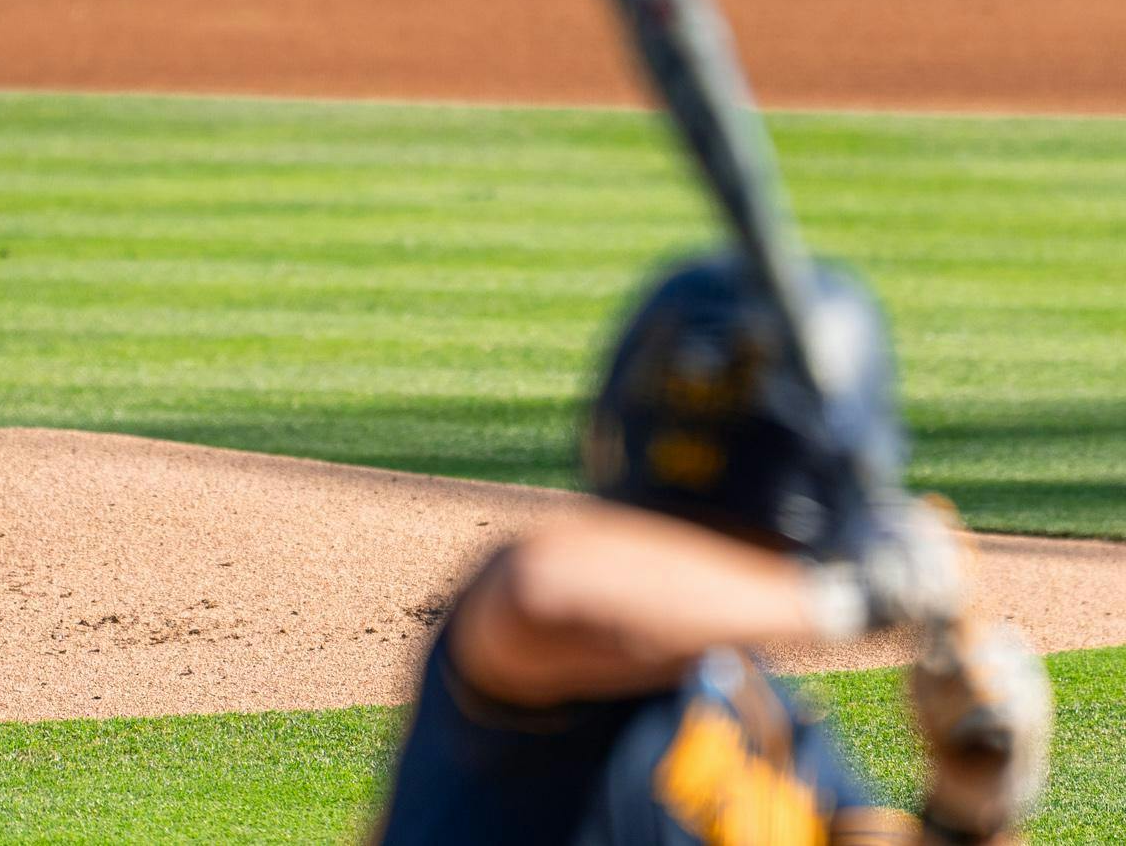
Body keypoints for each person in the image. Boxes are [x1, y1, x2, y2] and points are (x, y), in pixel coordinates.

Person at [375, 254, 1053, 845]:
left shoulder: (752, 700)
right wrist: (847, 598)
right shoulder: (577, 678)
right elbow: (540, 591)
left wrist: (970, 807)